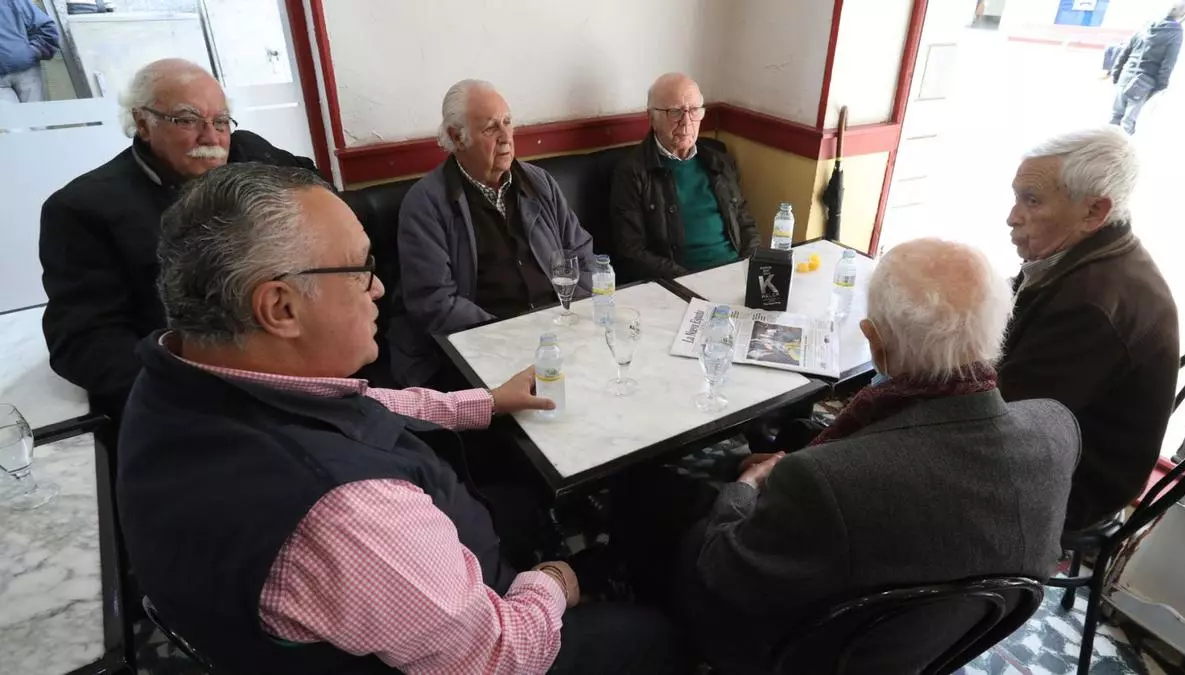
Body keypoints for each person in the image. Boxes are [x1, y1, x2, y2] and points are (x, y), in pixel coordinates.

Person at [118, 163, 681, 675]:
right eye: (359, 270)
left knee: (519, 502)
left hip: (327, 603)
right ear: (281, 307)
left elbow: (360, 403)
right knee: (653, 634)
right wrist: (556, 581)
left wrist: (484, 402)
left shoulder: (181, 373)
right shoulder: (344, 513)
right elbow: (500, 657)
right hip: (492, 646)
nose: (379, 288)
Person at [674, 238, 1080, 674]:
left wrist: (744, 488)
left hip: (803, 655)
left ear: (875, 342)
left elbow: (725, 570)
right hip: (937, 646)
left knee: (684, 517)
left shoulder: (825, 479)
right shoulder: (1057, 430)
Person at [39, 58, 318, 419]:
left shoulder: (251, 155)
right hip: (193, 395)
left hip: (295, 359)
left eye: (221, 121)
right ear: (143, 123)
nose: (212, 138)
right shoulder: (84, 209)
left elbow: (320, 202)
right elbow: (84, 340)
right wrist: (192, 395)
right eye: (188, 120)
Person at [999, 127, 1179, 531]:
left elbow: (1001, 422)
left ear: (1094, 211)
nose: (1012, 217)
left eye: (1031, 200)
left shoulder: (1091, 303)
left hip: (1074, 485)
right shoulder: (1082, 253)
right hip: (1051, 439)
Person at [391, 79, 596, 386]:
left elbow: (581, 253)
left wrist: (576, 320)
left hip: (556, 335)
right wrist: (512, 336)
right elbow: (435, 302)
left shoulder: (539, 183)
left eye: (508, 122)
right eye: (490, 128)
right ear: (456, 137)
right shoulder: (425, 204)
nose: (505, 137)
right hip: (481, 349)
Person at [610, 73, 759, 280]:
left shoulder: (719, 161)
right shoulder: (632, 172)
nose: (686, 121)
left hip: (735, 273)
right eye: (675, 112)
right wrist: (689, 282)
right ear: (652, 117)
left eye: (694, 110)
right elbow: (632, 251)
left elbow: (745, 224)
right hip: (681, 280)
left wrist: (752, 266)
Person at [1110, 1, 1185, 134]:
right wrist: (1161, 85)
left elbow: (1125, 51)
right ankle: (1120, 146)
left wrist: (1116, 72)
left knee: (1115, 116)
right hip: (1144, 81)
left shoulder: (1147, 26)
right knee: (1128, 122)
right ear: (1184, 13)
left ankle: (1104, 143)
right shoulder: (1175, 32)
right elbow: (1169, 62)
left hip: (1126, 74)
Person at [0, 0, 59, 103]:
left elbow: (48, 29)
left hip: (27, 72)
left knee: (36, 112)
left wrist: (31, 52)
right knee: (9, 114)